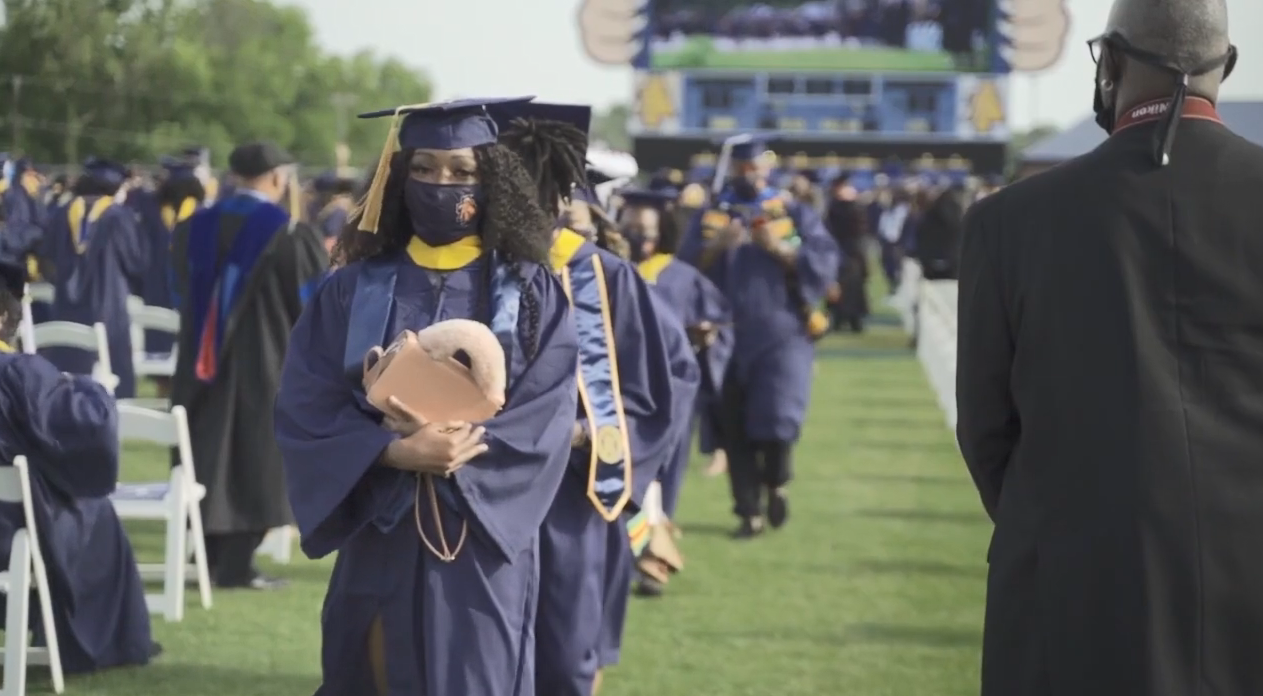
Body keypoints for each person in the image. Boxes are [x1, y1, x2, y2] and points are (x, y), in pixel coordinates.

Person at [954, 0, 1253, 693]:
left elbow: (986, 430)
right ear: (1227, 67)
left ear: (1109, 62)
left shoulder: (1008, 222)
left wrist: (1067, 519)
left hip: (1071, 583)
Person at [274, 97, 579, 696]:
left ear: (489, 179)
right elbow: (305, 402)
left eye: (462, 171)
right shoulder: (352, 289)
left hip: (478, 543)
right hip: (380, 531)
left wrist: (456, 450)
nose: (443, 184)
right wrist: (389, 453)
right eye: (425, 168)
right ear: (398, 177)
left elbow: (545, 412)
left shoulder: (531, 293)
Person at [492, 101, 682, 696]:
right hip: (474, 496)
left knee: (563, 659)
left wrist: (576, 433)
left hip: (568, 502)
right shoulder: (463, 272)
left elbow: (647, 404)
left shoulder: (604, 277)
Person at [170, 141, 327, 591]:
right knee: (256, 459)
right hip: (267, 362)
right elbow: (312, 306)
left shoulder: (193, 228)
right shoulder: (290, 234)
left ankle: (209, 556)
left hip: (198, 365)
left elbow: (178, 289)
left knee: (204, 452)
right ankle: (236, 565)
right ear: (278, 178)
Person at [0, 256, 160, 674]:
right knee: (94, 512)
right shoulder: (20, 373)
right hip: (8, 538)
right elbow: (87, 430)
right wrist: (90, 388)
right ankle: (101, 646)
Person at [682, 136, 839, 537]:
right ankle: (748, 512)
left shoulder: (790, 212)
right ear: (734, 169)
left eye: (760, 166)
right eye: (746, 167)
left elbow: (825, 262)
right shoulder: (714, 214)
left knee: (777, 418)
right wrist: (715, 246)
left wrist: (782, 250)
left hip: (781, 333)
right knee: (734, 426)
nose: (753, 174)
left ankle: (777, 481)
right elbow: (682, 268)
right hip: (724, 335)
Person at [42, 157, 146, 398]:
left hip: (65, 306)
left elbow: (46, 258)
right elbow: (135, 262)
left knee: (68, 363)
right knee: (114, 360)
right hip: (109, 306)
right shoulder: (119, 216)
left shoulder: (62, 213)